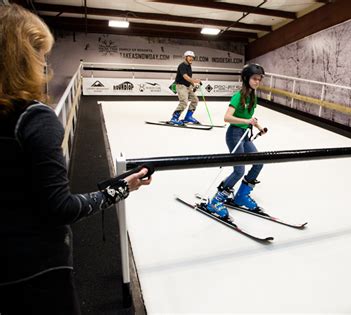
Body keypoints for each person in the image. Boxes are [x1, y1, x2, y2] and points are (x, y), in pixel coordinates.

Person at [0, 4, 152, 314]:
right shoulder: (33, 118)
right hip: (37, 272)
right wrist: (120, 189)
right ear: (23, 58)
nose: (45, 63)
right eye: (40, 53)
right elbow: (59, 208)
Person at [206, 63, 267, 220]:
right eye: (254, 79)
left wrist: (259, 127)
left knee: (259, 162)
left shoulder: (253, 96)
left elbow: (250, 118)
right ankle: (216, 201)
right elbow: (227, 118)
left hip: (245, 134)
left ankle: (241, 196)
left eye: (259, 79)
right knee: (239, 170)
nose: (257, 82)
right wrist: (246, 122)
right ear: (246, 78)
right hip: (234, 134)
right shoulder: (238, 96)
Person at [169, 50, 202, 125]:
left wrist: (194, 84)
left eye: (192, 57)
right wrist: (194, 81)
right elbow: (185, 76)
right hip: (181, 86)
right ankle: (174, 118)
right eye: (189, 57)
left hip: (187, 86)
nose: (191, 58)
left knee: (195, 100)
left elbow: (189, 78)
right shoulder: (182, 65)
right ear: (185, 57)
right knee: (184, 102)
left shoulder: (189, 66)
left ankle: (188, 117)